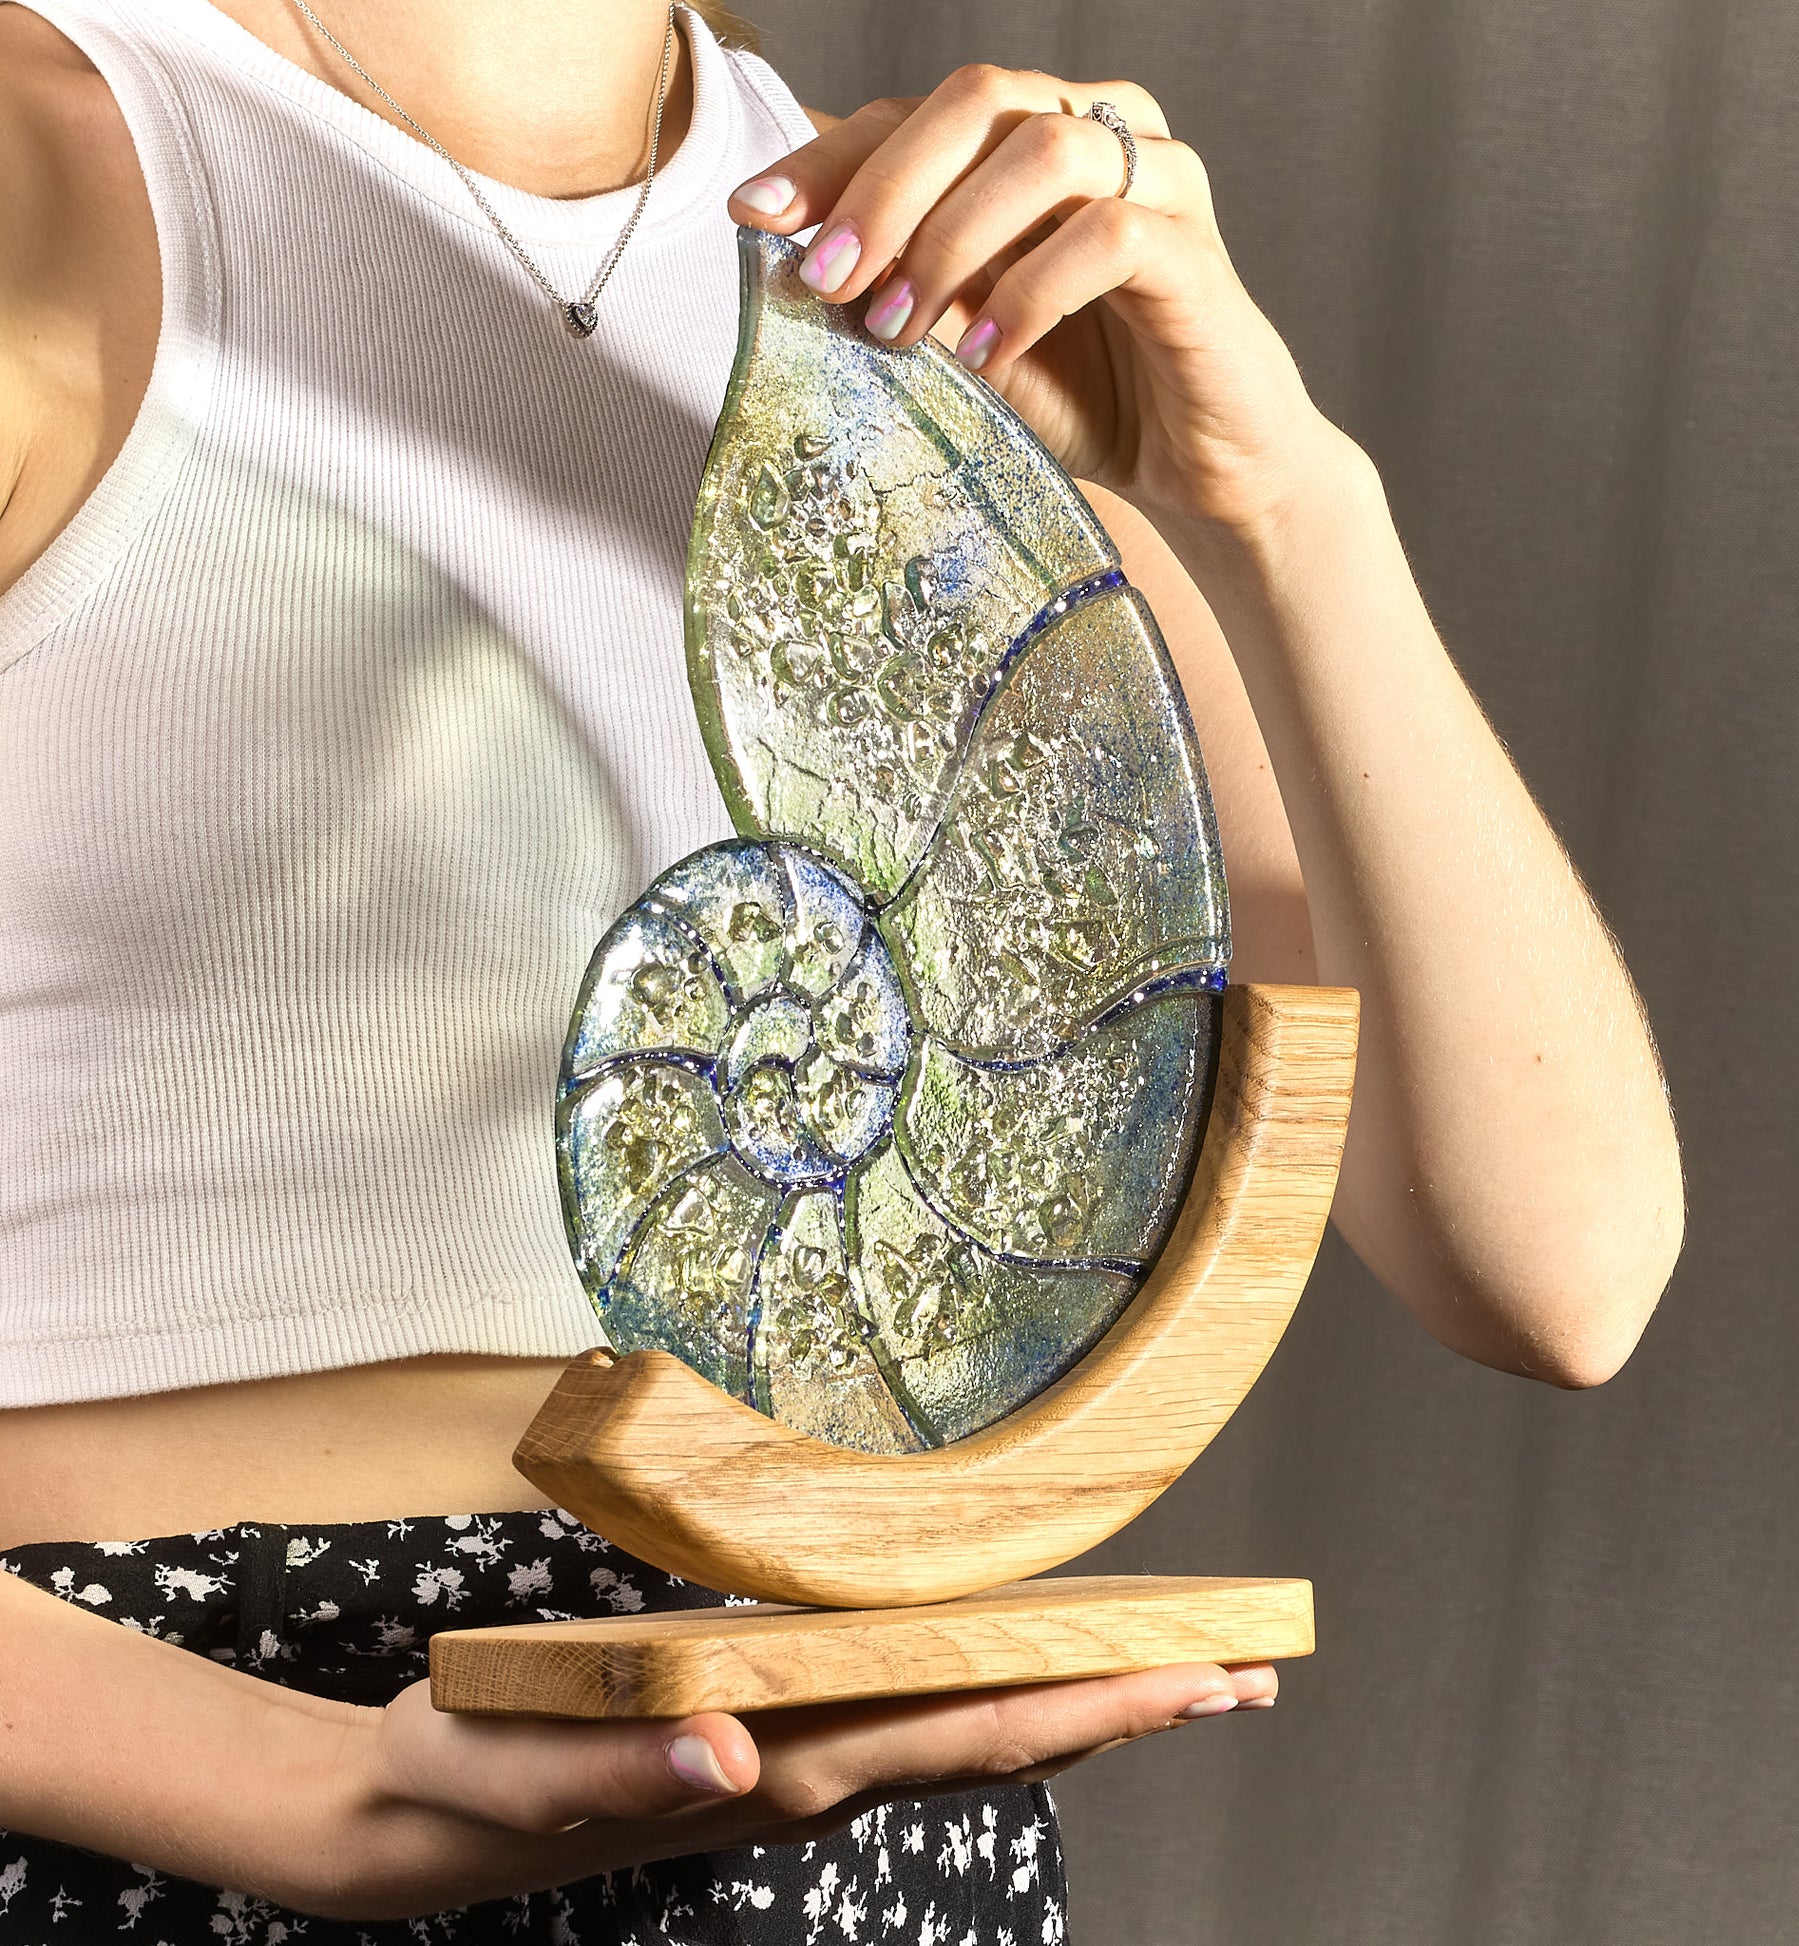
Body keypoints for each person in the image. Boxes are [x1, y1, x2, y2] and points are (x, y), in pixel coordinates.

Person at [0, 0, 1685, 1939]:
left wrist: (1283, 498)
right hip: (149, 1786)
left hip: (834, 1820)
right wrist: (300, 1793)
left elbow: (1556, 1262)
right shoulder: (56, 158)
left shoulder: (934, 268)